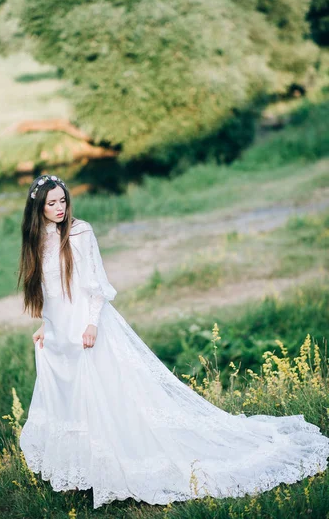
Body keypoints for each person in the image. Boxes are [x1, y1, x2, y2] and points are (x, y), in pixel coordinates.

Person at [18, 174, 329, 510]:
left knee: (106, 396)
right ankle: (87, 471)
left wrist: (92, 324)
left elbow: (94, 284)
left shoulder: (80, 232)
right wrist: (47, 326)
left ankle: (122, 466)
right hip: (61, 331)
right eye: (52, 203)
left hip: (87, 327)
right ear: (38, 208)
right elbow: (50, 289)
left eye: (63, 200)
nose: (60, 208)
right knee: (73, 401)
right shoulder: (37, 239)